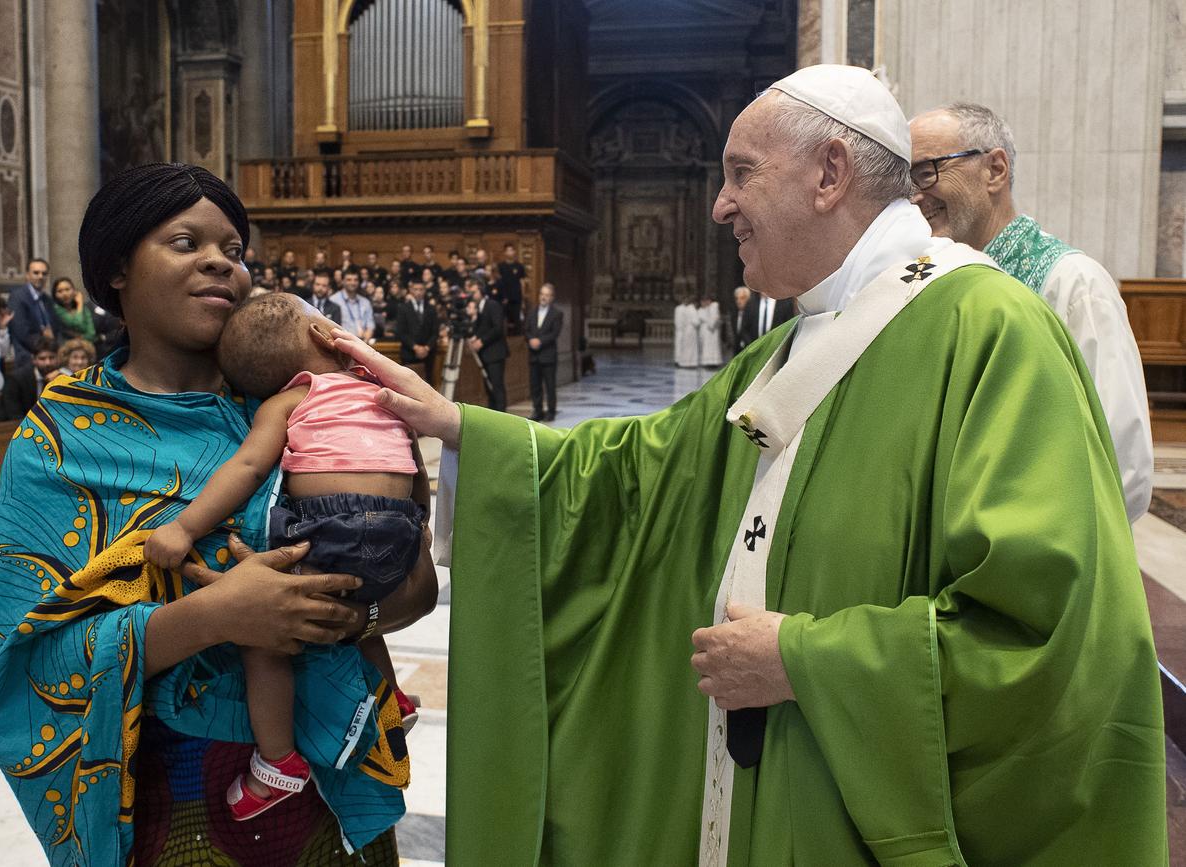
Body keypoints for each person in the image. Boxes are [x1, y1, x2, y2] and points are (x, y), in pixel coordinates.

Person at [328, 65, 1167, 865]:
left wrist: (804, 658)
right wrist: (463, 428)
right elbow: (637, 471)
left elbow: (1053, 635)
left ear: (829, 172)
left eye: (741, 172)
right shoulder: (791, 345)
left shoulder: (991, 331)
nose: (720, 203)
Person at [0, 163, 436, 866]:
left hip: (335, 778)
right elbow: (29, 663)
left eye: (234, 249)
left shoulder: (310, 407)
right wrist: (216, 616)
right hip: (177, 795)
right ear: (117, 269)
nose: (222, 261)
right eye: (186, 242)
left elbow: (419, 582)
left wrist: (344, 618)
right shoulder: (61, 440)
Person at [145, 293, 428, 819]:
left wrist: (184, 528)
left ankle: (276, 761)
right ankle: (392, 699)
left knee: (265, 629)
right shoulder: (378, 388)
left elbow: (249, 467)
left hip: (332, 527)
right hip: (399, 532)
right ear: (323, 335)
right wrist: (418, 526)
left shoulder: (291, 399)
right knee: (361, 614)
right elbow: (412, 458)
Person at [908, 102, 1154, 522]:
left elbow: (1121, 465)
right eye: (906, 179)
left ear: (995, 170)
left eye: (927, 171)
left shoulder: (1074, 285)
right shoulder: (924, 279)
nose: (914, 195)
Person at [467, 277, 507, 411]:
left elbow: (498, 328)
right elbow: (481, 329)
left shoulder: (492, 305)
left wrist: (482, 341)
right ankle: (493, 413)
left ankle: (501, 415)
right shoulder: (478, 308)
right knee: (488, 388)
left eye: (474, 292)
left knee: (496, 386)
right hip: (484, 354)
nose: (471, 295)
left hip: (495, 353)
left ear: (481, 291)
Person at [524, 283, 562, 421]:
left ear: (552, 297)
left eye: (547, 295)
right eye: (542, 294)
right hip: (534, 355)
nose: (543, 297)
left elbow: (554, 333)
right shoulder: (532, 312)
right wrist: (530, 339)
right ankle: (537, 410)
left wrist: (540, 341)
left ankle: (551, 411)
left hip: (548, 355)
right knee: (535, 385)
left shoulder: (557, 314)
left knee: (550, 385)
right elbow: (526, 330)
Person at [8, 258, 56, 364]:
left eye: (44, 273)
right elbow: (21, 332)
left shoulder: (47, 300)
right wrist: (46, 343)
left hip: (50, 358)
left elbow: (55, 328)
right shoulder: (17, 297)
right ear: (27, 275)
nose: (40, 276)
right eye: (36, 273)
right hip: (27, 356)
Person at [0, 336, 59, 422]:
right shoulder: (16, 379)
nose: (48, 363)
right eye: (42, 359)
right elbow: (14, 414)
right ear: (34, 359)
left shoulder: (61, 377)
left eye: (51, 358)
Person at [398, 280, 438, 386]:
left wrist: (426, 348)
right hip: (409, 353)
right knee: (408, 386)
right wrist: (415, 347)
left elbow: (435, 332)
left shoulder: (431, 309)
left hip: (428, 355)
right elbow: (401, 332)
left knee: (428, 386)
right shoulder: (403, 308)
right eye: (416, 289)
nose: (418, 292)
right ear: (411, 290)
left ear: (425, 291)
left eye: (421, 289)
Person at [49, 276, 97, 343]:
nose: (64, 294)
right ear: (55, 294)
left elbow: (92, 334)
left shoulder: (84, 308)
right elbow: (78, 323)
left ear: (74, 291)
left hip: (88, 345)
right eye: (60, 291)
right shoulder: (56, 310)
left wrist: (80, 337)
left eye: (67, 289)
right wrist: (80, 304)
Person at [337, 271, 376, 344]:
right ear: (342, 281)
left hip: (364, 343)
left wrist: (364, 341)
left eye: (355, 280)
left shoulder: (365, 302)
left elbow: (370, 325)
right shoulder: (334, 301)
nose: (353, 283)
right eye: (349, 280)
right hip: (343, 343)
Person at [497, 242, 527, 331]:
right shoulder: (500, 266)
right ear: (505, 253)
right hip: (504, 299)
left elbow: (522, 283)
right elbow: (498, 282)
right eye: (508, 250)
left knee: (517, 323)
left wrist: (523, 300)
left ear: (514, 252)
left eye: (511, 250)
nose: (510, 252)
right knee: (503, 323)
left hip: (516, 298)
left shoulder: (519, 266)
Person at [697, 293, 723, 367]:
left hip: (712, 330)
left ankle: (714, 362)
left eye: (705, 301)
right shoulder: (701, 310)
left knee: (712, 347)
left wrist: (711, 324)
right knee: (706, 347)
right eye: (702, 301)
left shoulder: (713, 306)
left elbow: (715, 318)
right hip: (705, 331)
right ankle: (707, 362)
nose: (704, 303)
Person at [673, 295, 699, 367]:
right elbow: (695, 321)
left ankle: (682, 361)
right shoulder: (688, 309)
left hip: (684, 330)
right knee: (683, 346)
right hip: (685, 330)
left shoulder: (685, 308)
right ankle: (681, 361)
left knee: (684, 347)